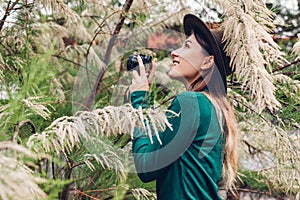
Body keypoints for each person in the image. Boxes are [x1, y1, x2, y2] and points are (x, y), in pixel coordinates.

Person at [129, 14, 238, 200]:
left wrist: (140, 100)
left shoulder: (191, 102)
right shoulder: (213, 107)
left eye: (187, 46)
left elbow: (146, 167)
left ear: (207, 62)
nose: (175, 52)